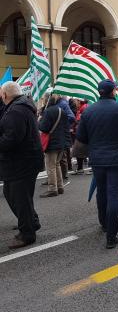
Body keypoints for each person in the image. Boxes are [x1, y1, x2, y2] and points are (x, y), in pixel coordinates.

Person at [76, 79, 118, 249]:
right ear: (113, 91)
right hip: (117, 157)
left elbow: (81, 137)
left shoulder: (89, 110)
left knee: (102, 192)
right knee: (114, 194)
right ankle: (111, 236)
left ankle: (104, 224)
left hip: (97, 158)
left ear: (99, 92)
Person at [0, 82, 43, 249]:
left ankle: (27, 234)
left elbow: (11, 139)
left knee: (20, 198)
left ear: (4, 95)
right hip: (23, 161)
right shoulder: (19, 106)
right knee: (12, 194)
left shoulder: (16, 111)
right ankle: (31, 222)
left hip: (22, 162)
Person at [39, 95, 70, 197]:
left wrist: (39, 121)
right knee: (57, 165)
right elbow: (66, 128)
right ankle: (60, 187)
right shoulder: (62, 111)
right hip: (61, 143)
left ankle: (52, 188)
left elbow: (44, 128)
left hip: (51, 143)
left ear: (47, 101)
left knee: (51, 166)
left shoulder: (48, 111)